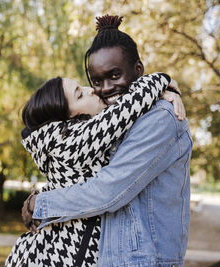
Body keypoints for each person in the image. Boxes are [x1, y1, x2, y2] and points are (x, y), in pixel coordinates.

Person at [21, 15, 192, 267]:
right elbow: (79, 179)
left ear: (138, 70)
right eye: (96, 81)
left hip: (143, 260)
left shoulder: (160, 117)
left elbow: (109, 190)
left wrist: (42, 203)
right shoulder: (109, 123)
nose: (104, 89)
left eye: (114, 75)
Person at [4, 68, 180, 265]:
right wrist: (161, 80)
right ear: (68, 118)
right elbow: (125, 110)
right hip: (55, 258)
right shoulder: (68, 140)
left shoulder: (66, 139)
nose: (91, 90)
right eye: (79, 95)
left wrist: (158, 97)